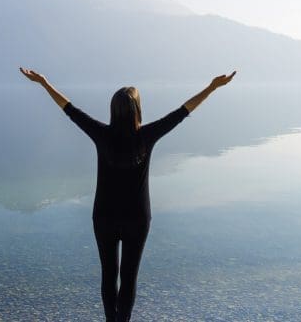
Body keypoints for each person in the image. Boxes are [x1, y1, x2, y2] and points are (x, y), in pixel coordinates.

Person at [19, 67, 236, 322]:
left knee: (108, 274)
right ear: (137, 110)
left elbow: (69, 109)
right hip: (137, 218)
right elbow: (183, 111)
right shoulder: (147, 135)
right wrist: (212, 87)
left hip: (104, 217)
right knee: (129, 276)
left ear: (113, 110)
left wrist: (44, 83)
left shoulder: (101, 133)